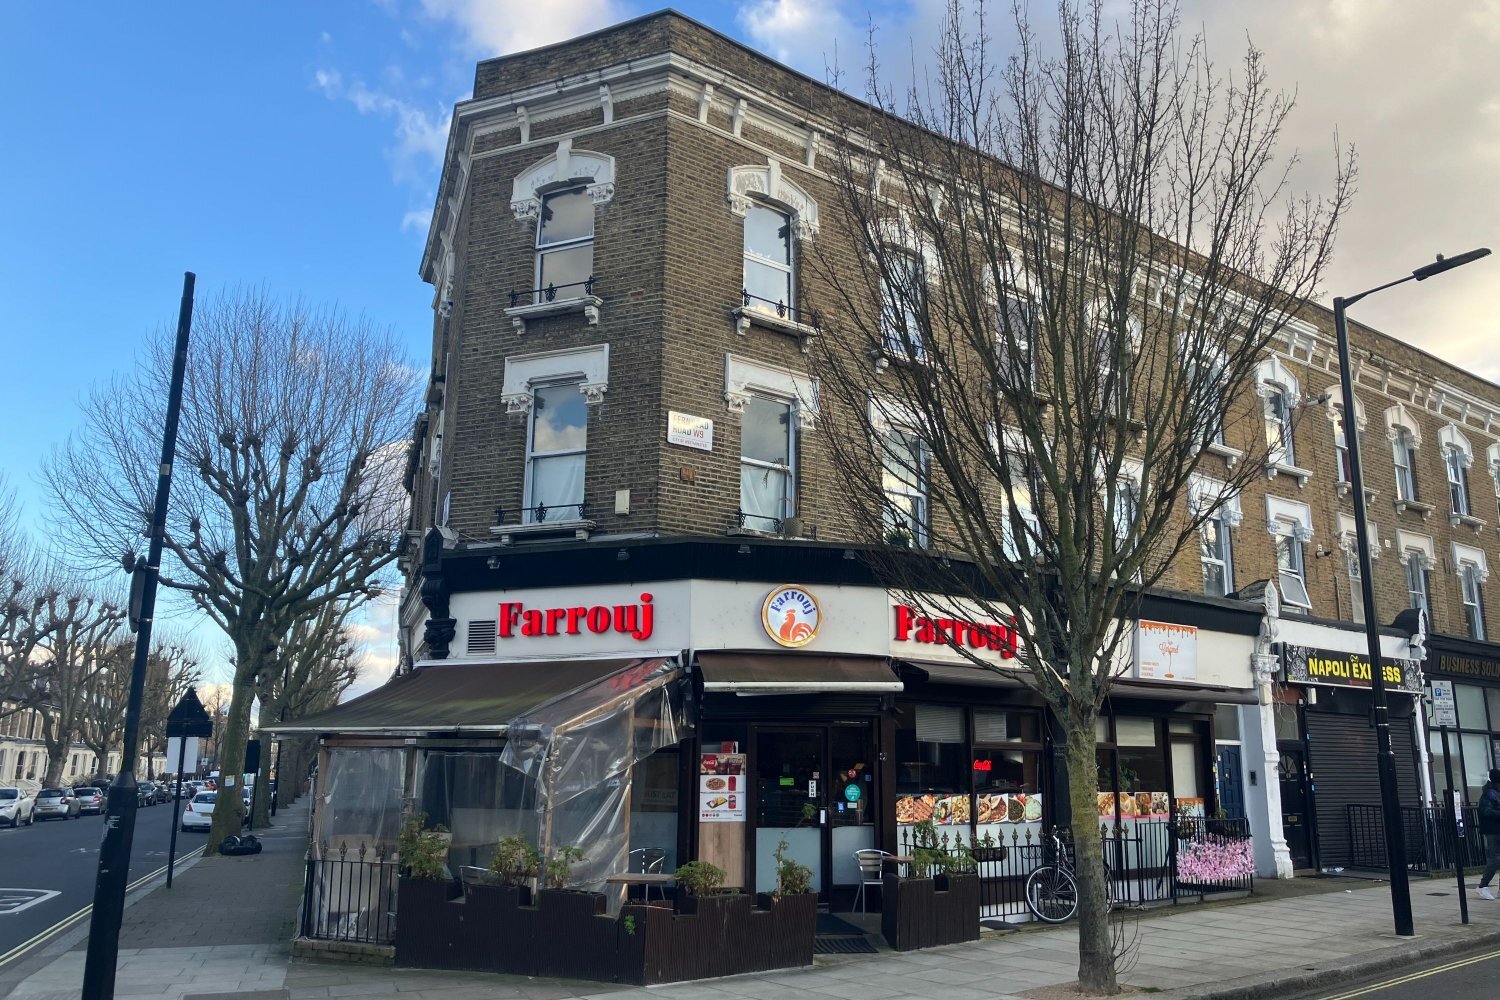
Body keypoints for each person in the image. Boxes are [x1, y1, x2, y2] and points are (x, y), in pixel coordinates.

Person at [1478, 767, 1500, 900]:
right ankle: (1482, 886)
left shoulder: (1495, 793)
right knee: (1495, 858)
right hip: (1492, 830)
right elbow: (1485, 811)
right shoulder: (1489, 794)